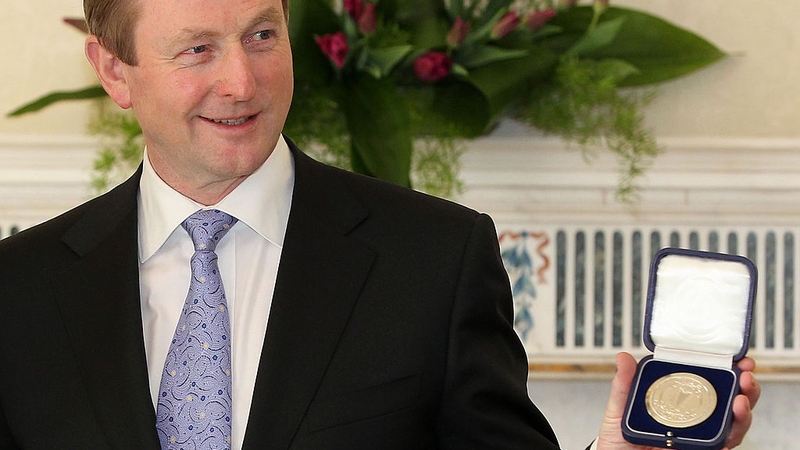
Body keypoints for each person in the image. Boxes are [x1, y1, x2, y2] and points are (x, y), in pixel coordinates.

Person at [0, 0, 759, 448]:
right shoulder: (18, 292)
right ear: (113, 71)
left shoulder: (436, 260)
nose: (242, 81)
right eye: (198, 50)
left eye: (263, 35)